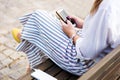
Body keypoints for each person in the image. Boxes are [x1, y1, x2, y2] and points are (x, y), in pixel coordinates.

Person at [12, 0, 120, 76]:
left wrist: (72, 34)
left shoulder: (107, 6)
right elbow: (108, 32)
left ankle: (25, 37)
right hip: (102, 59)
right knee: (54, 22)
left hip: (82, 63)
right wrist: (84, 24)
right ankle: (27, 36)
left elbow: (86, 52)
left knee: (37, 16)